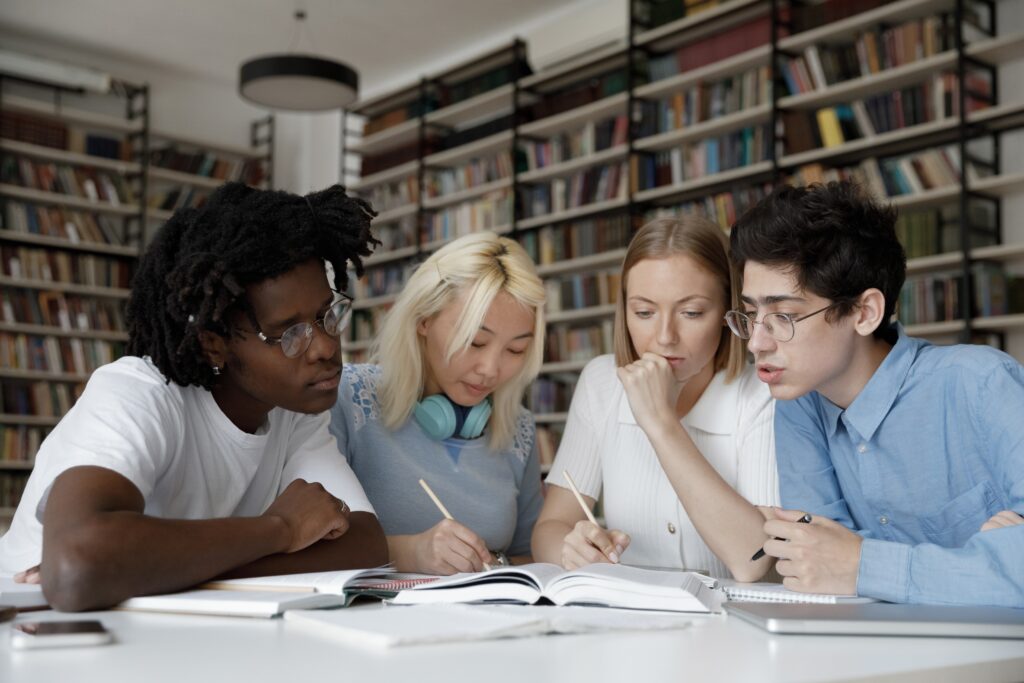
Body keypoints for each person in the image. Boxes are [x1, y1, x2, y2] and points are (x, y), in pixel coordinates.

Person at [0, 183, 389, 611]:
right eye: (290, 334)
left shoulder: (295, 409)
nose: (325, 347)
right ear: (213, 344)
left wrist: (155, 571)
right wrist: (279, 528)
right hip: (31, 630)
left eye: (325, 316)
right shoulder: (138, 393)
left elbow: (365, 545)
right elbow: (77, 566)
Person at [729, 180, 1024, 606]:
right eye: (751, 313)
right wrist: (981, 563)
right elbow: (817, 563)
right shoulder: (798, 405)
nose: (756, 343)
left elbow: (843, 564)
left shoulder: (980, 384)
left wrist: (864, 564)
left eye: (784, 316)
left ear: (864, 312)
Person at [531, 216, 779, 581]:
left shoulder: (762, 393)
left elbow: (755, 559)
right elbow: (550, 527)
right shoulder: (601, 382)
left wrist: (661, 423)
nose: (664, 337)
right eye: (644, 312)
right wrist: (573, 550)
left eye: (692, 312)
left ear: (729, 311)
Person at [329, 232, 546, 575]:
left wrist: (492, 561)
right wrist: (408, 552)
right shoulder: (349, 397)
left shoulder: (518, 429)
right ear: (423, 319)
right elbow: (307, 545)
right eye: (475, 342)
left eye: (516, 350)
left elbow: (530, 556)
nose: (490, 370)